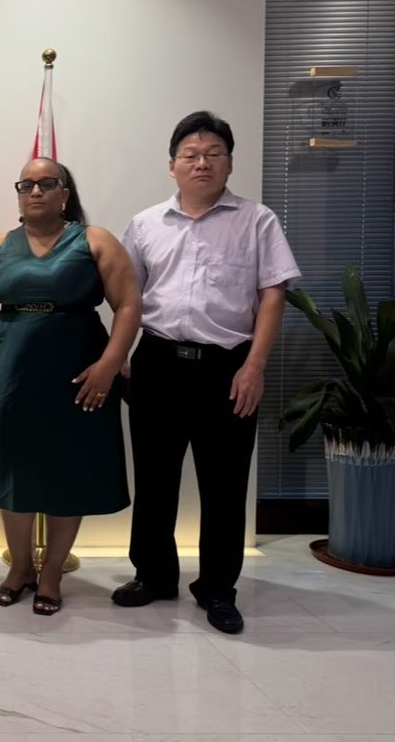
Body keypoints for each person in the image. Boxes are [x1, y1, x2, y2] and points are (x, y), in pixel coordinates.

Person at [112, 111, 300, 634]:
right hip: (156, 364)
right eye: (191, 155)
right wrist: (121, 355)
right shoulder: (146, 224)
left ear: (229, 163)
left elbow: (273, 294)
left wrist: (255, 367)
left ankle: (217, 589)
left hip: (227, 368)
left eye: (213, 154)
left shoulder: (256, 220)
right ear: (171, 166)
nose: (202, 163)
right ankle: (153, 576)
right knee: (154, 478)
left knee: (223, 484)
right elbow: (127, 298)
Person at [0, 157, 140, 616]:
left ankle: (53, 572)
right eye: (27, 184)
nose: (36, 191)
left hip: (80, 377)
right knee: (12, 469)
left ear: (65, 193)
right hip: (13, 376)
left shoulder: (94, 240)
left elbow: (128, 304)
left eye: (47, 184)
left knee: (68, 471)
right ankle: (20, 568)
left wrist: (110, 363)